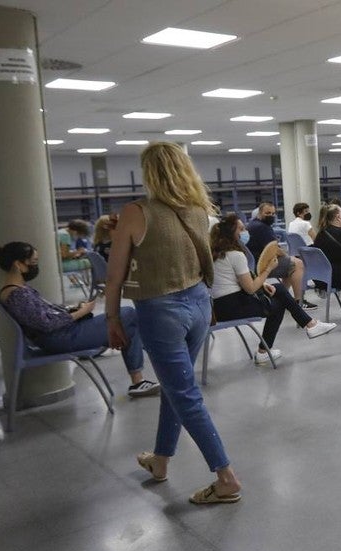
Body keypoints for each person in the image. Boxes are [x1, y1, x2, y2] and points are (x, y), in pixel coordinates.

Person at [104, 141, 242, 505]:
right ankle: (161, 460)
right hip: (198, 305)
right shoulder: (197, 209)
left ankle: (226, 478)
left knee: (184, 393)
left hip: (160, 310)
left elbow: (114, 276)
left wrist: (113, 317)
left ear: (149, 173)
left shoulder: (136, 212)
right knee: (174, 386)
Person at [0, 241, 159, 397]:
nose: (36, 265)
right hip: (60, 338)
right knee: (128, 314)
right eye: (33, 262)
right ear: (18, 264)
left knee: (129, 326)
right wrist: (80, 312)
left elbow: (44, 316)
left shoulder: (13, 291)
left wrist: (71, 310)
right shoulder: (17, 294)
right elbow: (46, 323)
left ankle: (138, 379)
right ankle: (140, 377)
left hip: (59, 335)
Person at [208, 213, 336, 363]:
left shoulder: (216, 254)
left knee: (279, 289)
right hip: (233, 306)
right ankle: (271, 346)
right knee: (279, 303)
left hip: (219, 307)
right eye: (241, 229)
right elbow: (250, 289)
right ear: (232, 232)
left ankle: (309, 325)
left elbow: (233, 281)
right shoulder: (235, 255)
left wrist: (262, 283)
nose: (245, 232)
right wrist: (268, 269)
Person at [245, 201, 313, 310]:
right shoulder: (263, 227)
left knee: (289, 267)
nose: (271, 216)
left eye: (273, 214)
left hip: (254, 264)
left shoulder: (253, 224)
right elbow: (275, 249)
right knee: (297, 264)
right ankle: (299, 302)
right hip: (262, 266)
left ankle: (282, 298)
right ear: (260, 213)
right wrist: (286, 255)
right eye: (267, 213)